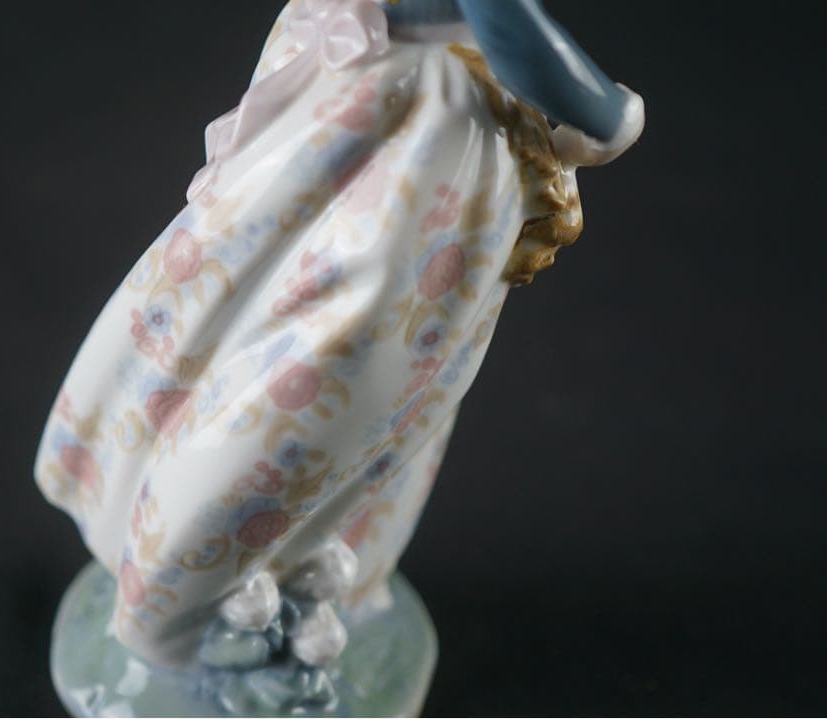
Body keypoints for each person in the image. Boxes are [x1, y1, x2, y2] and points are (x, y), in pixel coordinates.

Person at [35, 0, 644, 670]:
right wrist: (612, 116)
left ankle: (225, 556)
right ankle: (178, 599)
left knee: (246, 295)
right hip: (410, 125)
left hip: (356, 82)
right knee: (336, 362)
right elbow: (507, 26)